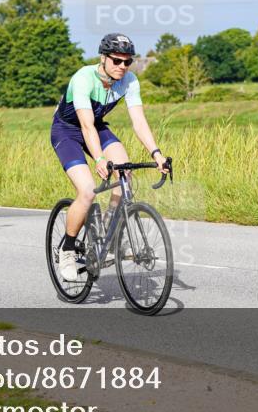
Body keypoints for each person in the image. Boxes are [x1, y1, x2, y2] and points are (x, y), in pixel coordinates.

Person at [50, 33, 169, 282]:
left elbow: (138, 121)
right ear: (103, 58)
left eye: (128, 62)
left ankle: (107, 231)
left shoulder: (129, 80)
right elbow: (85, 125)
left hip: (98, 126)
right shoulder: (84, 78)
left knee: (125, 172)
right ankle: (68, 249)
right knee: (87, 192)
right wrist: (99, 159)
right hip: (69, 131)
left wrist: (156, 153)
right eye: (116, 61)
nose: (122, 67)